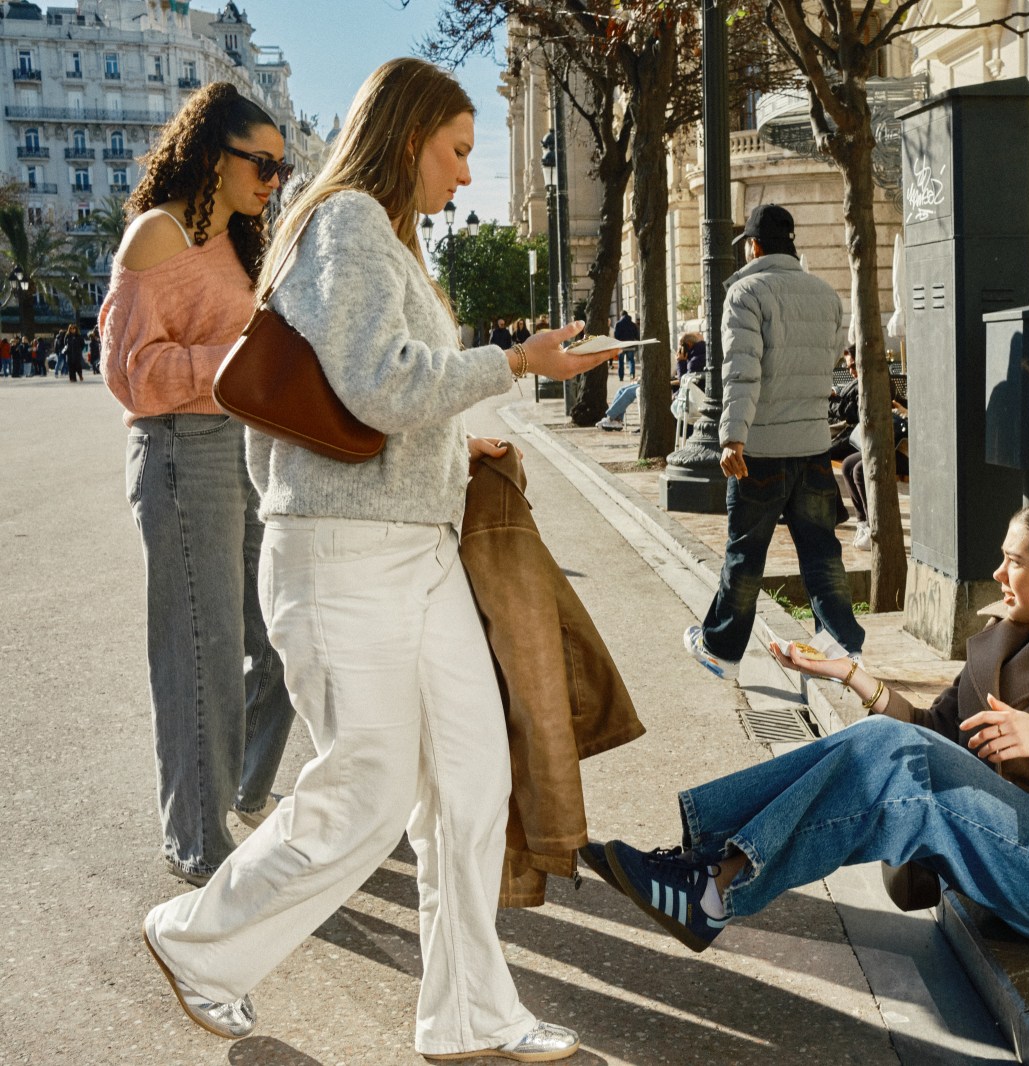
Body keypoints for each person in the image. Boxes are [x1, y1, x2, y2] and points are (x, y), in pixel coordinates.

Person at [140, 58, 612, 1063]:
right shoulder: (348, 221)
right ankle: (197, 943)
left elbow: (381, 404)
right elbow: (381, 386)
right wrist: (515, 361)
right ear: (408, 137)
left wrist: (457, 448)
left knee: (473, 779)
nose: (466, 173)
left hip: (414, 547)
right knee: (368, 787)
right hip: (343, 554)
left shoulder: (381, 236)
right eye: (457, 150)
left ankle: (470, 1011)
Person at [589, 499, 1029, 954]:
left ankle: (714, 889)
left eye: (1015, 562)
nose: (997, 573)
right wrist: (853, 676)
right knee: (890, 746)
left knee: (905, 765)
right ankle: (704, 867)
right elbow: (938, 730)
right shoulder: (1004, 636)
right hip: (1009, 846)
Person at [100, 81, 298, 888]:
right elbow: (131, 373)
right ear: (214, 154)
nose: (273, 181)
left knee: (283, 636)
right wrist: (240, 362)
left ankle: (239, 789)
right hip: (181, 452)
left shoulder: (236, 241)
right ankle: (198, 840)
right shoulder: (159, 233)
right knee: (202, 655)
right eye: (262, 164)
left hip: (240, 449)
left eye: (282, 168)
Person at [683, 203, 864, 680]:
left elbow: (742, 372)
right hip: (812, 446)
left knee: (746, 554)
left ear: (754, 246)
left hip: (759, 450)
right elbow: (828, 365)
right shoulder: (826, 296)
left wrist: (732, 437)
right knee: (822, 553)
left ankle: (721, 650)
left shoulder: (746, 293)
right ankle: (846, 647)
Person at [841, 399, 909, 548]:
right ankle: (863, 523)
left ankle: (875, 528)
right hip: (892, 444)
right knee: (847, 465)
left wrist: (905, 413)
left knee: (860, 470)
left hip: (908, 451)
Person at [613, 309, 639, 379]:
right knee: (631, 360)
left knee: (621, 361)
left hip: (621, 346)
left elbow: (616, 335)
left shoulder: (618, 324)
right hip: (631, 345)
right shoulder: (633, 324)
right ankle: (632, 374)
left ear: (621, 315)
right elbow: (637, 336)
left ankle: (621, 376)